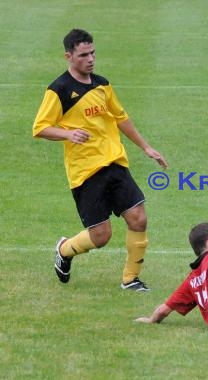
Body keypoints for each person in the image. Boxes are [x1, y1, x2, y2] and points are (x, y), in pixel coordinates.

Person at [32, 28, 168, 291]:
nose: (91, 59)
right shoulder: (59, 90)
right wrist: (68, 133)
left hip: (114, 161)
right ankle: (64, 249)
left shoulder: (102, 84)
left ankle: (131, 279)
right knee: (101, 236)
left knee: (138, 217)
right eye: (84, 55)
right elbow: (40, 127)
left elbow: (120, 118)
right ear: (68, 56)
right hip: (85, 171)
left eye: (93, 53)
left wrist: (146, 147)